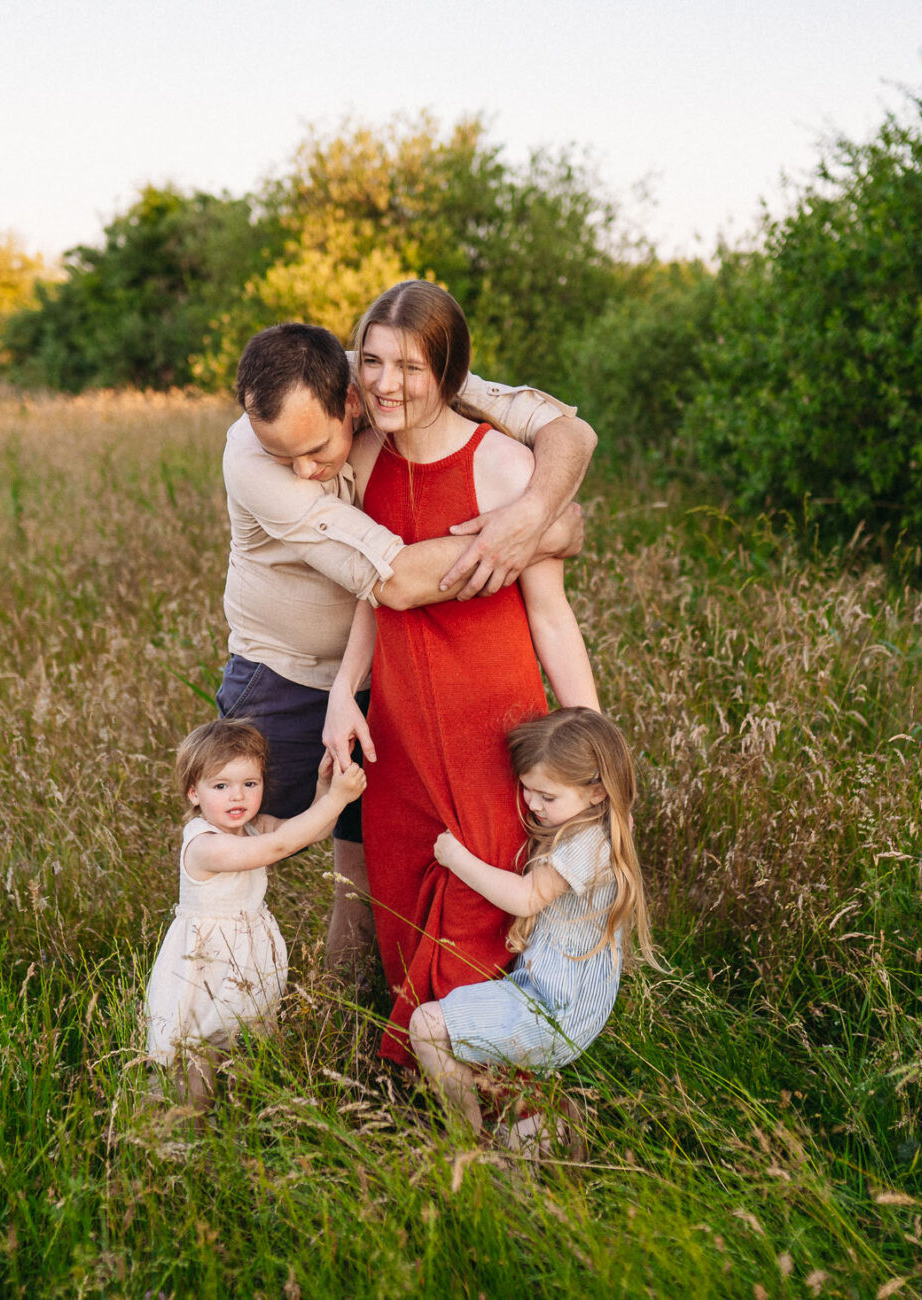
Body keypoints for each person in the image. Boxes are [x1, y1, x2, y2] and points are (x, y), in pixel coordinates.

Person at [220, 323, 595, 984]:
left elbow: (571, 433)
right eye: (284, 455)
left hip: (380, 675)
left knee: (363, 864)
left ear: (353, 403)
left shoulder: (383, 376)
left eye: (313, 450)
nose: (302, 472)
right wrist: (543, 529)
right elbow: (391, 580)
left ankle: (346, 1012)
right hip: (283, 674)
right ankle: (208, 1010)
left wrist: (532, 505)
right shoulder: (251, 460)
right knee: (237, 850)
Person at [323, 280, 599, 1067]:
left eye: (409, 366)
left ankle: (503, 1087)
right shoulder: (365, 456)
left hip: (494, 724)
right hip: (402, 728)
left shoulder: (506, 467)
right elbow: (374, 594)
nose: (384, 383)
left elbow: (549, 614)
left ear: (449, 373)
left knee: (483, 906)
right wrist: (346, 692)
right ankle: (429, 1089)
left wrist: (594, 741)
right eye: (372, 361)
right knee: (406, 901)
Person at [409, 708, 660, 1140]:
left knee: (426, 1026)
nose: (533, 805)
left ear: (597, 792)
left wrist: (455, 858)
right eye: (527, 790)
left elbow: (526, 896)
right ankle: (538, 1127)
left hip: (554, 1010)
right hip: (551, 998)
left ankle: (470, 1138)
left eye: (547, 796)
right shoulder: (592, 821)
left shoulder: (590, 844)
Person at [143, 718, 366, 1107]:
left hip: (246, 959)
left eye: (250, 784)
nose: (238, 797)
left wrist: (324, 792)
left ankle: (231, 1130)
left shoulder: (254, 825)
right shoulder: (204, 845)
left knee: (242, 1051)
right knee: (197, 1055)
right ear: (193, 792)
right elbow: (277, 848)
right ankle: (180, 1134)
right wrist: (338, 801)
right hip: (206, 963)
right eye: (221, 786)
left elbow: (307, 832)